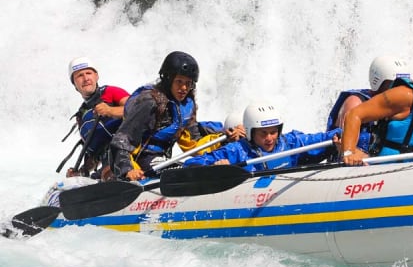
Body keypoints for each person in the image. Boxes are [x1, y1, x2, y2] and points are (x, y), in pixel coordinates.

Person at [109, 51, 228, 181]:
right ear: (168, 79)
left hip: (162, 160)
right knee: (178, 171)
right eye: (179, 81)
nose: (184, 88)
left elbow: (194, 143)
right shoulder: (149, 102)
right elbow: (122, 139)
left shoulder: (188, 105)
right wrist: (128, 170)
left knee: (195, 166)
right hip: (139, 162)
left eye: (188, 83)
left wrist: (225, 139)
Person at [185, 102, 341, 172]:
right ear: (250, 132)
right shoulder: (237, 151)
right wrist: (213, 167)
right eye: (263, 133)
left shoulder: (290, 142)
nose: (269, 138)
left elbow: (320, 138)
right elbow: (191, 163)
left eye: (273, 132)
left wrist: (340, 135)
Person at [325, 55, 411, 154]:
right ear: (378, 82)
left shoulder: (402, 106)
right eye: (395, 85)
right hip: (349, 165)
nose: (400, 91)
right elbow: (343, 148)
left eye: (404, 85)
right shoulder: (355, 103)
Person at [66, 56, 130, 177]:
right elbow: (95, 153)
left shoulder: (112, 92)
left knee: (109, 172)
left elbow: (139, 109)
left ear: (96, 76)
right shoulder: (82, 116)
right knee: (101, 175)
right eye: (79, 75)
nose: (85, 78)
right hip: (108, 162)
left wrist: (111, 110)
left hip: (129, 151)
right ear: (74, 84)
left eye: (89, 73)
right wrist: (81, 171)